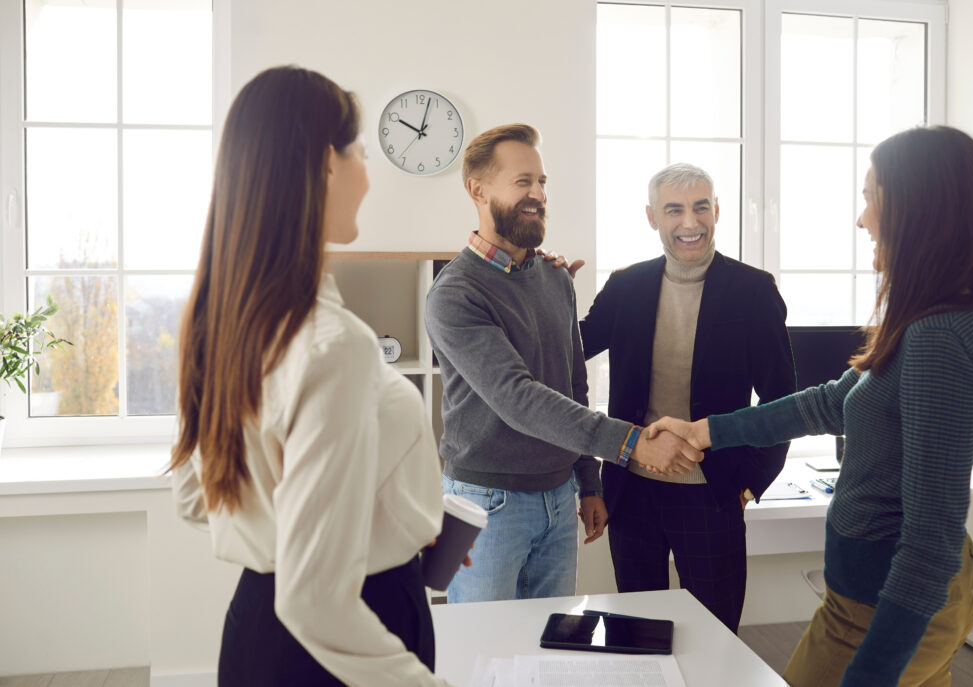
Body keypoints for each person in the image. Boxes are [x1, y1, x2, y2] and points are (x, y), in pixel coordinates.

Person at [648, 126, 973, 687]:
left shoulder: (940, 335)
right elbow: (831, 402)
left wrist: (871, 673)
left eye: (870, 196)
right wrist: (706, 431)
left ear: (917, 207)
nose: (862, 217)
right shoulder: (935, 315)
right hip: (871, 597)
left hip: (885, 604)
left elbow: (930, 539)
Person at [169, 66, 453, 687]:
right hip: (345, 640)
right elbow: (315, 599)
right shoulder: (336, 345)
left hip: (255, 634)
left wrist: (371, 521)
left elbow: (198, 497)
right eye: (361, 152)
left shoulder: (225, 319)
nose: (368, 175)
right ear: (327, 163)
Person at [425, 123, 703, 604]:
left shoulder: (554, 277)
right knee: (480, 657)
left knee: (549, 652)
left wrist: (587, 482)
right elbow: (519, 399)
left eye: (542, 182)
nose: (538, 195)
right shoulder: (454, 294)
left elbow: (573, 384)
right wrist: (631, 443)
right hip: (483, 503)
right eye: (522, 182)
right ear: (477, 189)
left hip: (558, 498)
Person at [576, 163, 796, 633]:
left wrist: (754, 478)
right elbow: (568, 353)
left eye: (701, 207)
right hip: (631, 491)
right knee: (637, 630)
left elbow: (782, 396)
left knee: (715, 635)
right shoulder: (625, 286)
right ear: (652, 216)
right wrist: (546, 287)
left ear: (716, 210)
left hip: (712, 493)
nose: (690, 223)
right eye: (674, 210)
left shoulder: (753, 291)